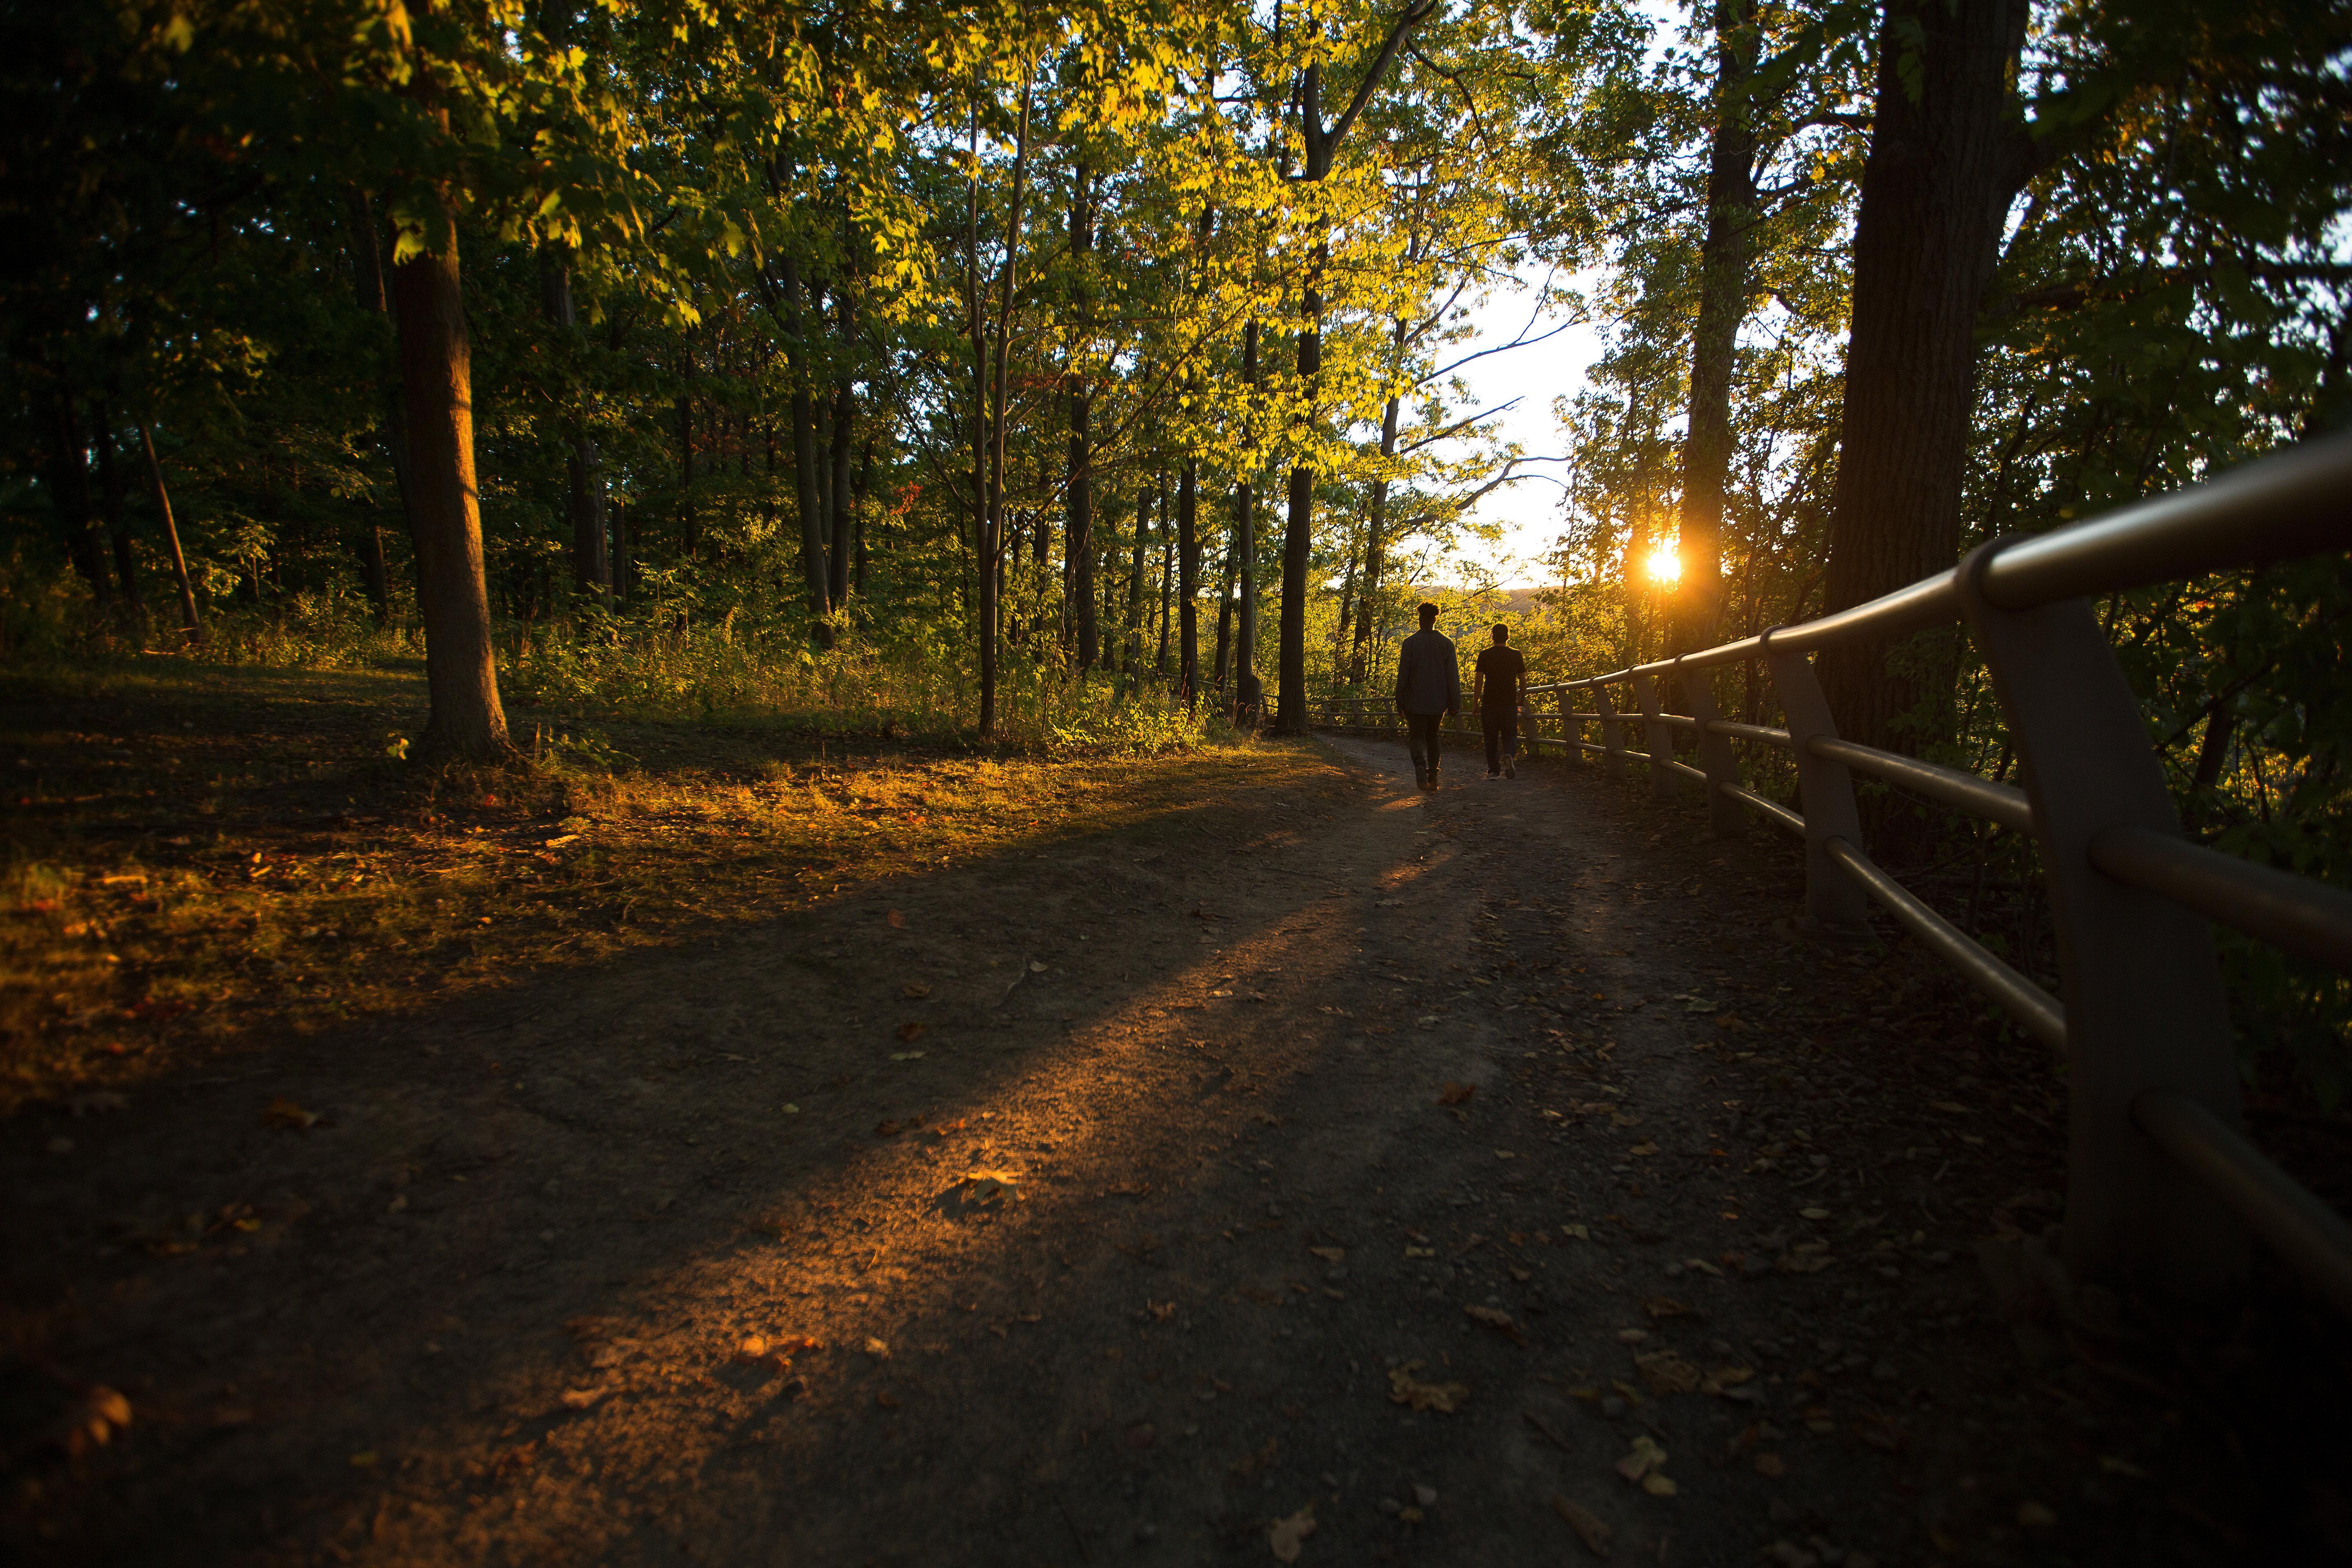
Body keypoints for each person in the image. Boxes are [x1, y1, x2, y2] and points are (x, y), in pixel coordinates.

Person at [1393, 601, 1460, 791]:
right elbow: (1452, 676)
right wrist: (1455, 702)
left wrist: (1400, 702)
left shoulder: (1410, 643)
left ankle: (1420, 765)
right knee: (1433, 736)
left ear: (1420, 619)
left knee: (1416, 736)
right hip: (1438, 702)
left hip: (1414, 701)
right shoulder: (1447, 644)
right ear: (1435, 619)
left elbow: (1403, 675)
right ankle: (1434, 777)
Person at [1472, 622, 1527, 779]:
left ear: (1493, 637)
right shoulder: (1516, 654)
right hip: (1510, 702)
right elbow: (1523, 680)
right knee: (1510, 734)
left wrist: (1476, 704)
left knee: (1490, 737)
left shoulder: (1485, 654)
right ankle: (1509, 755)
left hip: (1490, 702)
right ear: (1508, 636)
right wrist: (1522, 700)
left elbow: (1479, 681)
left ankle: (1494, 770)